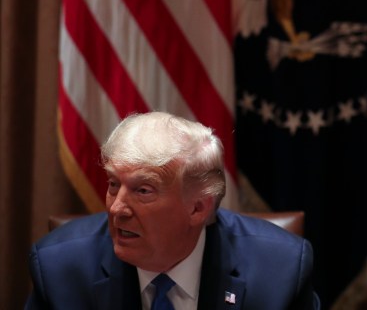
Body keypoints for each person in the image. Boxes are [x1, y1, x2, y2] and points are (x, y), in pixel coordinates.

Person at [26, 112, 320, 309]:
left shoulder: (280, 270)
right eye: (114, 184)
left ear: (198, 208)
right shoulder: (59, 269)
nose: (116, 208)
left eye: (143, 190)